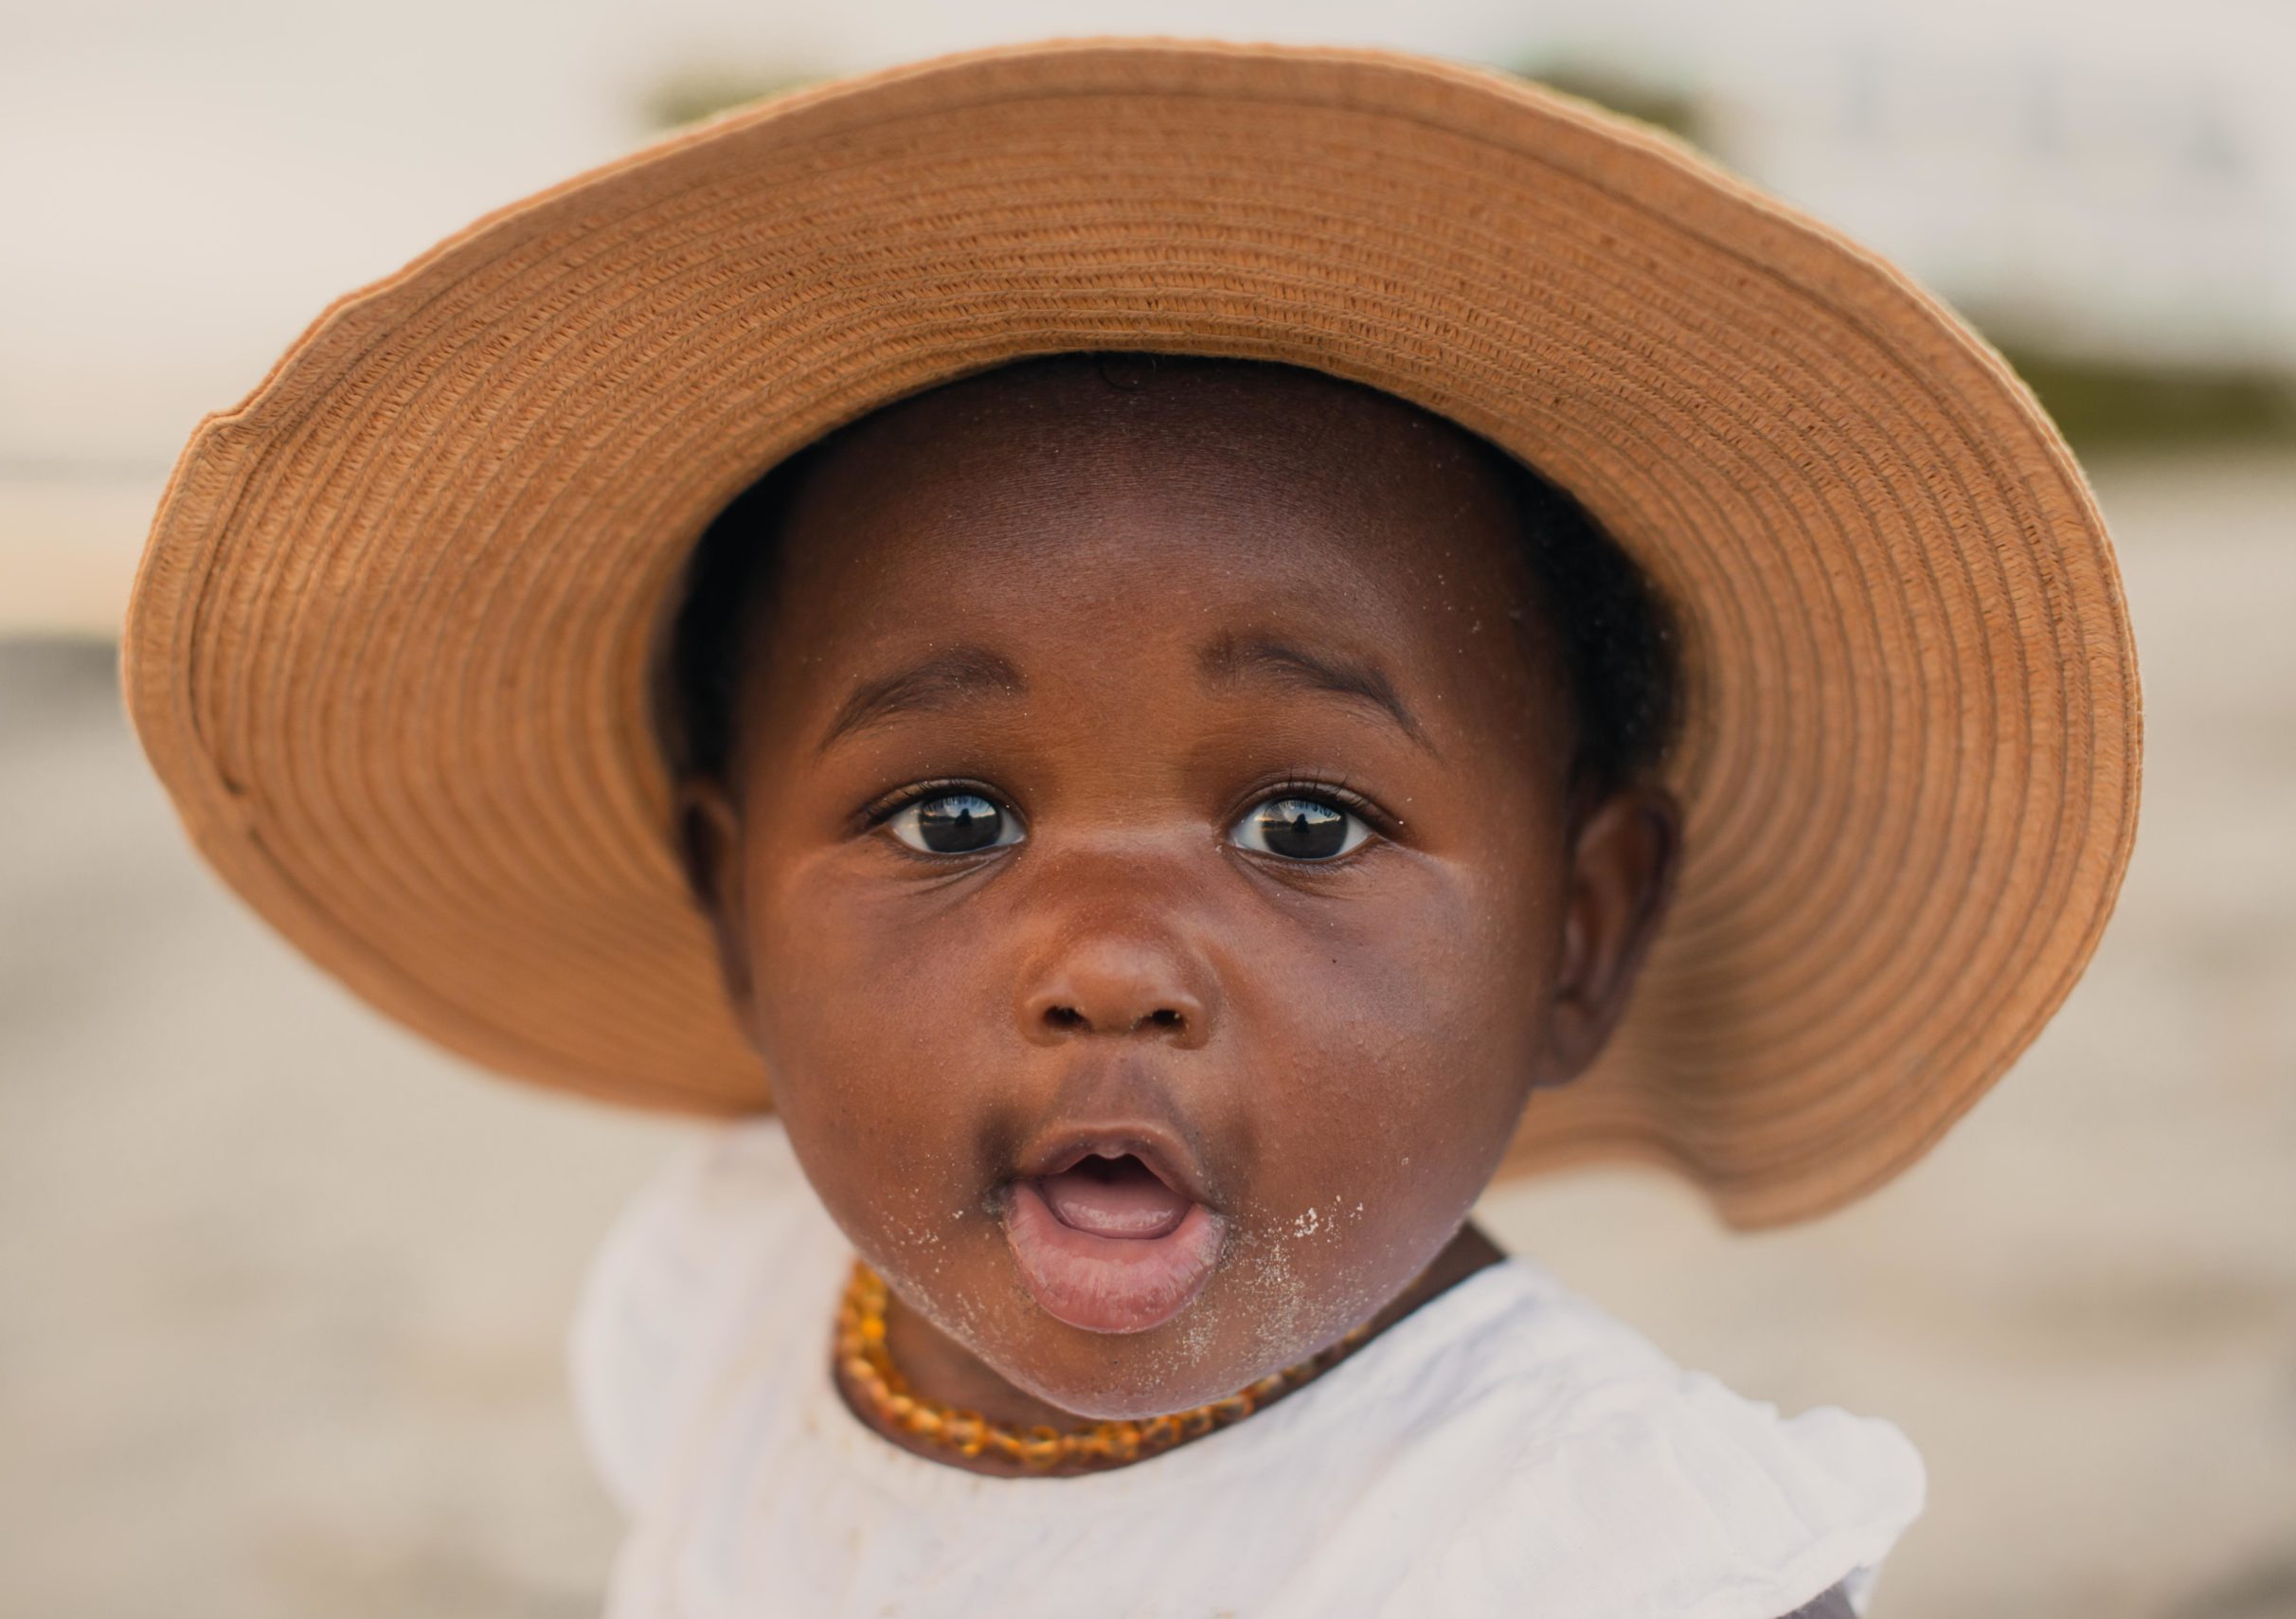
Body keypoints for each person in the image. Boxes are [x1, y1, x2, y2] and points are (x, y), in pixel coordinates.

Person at [122, 39, 2143, 1619]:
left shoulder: (1584, 1548)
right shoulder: (729, 1296)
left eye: (1300, 820)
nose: (1104, 964)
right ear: (725, 910)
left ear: (1580, 933)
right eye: (946, 813)